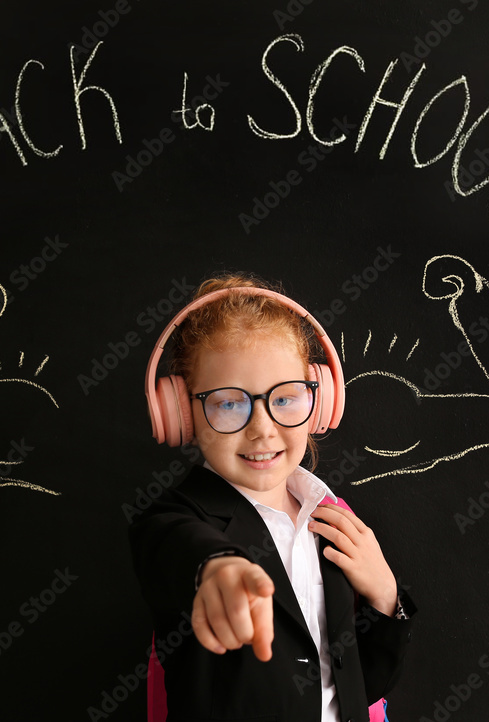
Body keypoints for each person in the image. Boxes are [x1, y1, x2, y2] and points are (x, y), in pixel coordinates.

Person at [132, 273, 414, 722]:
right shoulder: (177, 520)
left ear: (317, 405)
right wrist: (217, 565)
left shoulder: (333, 520)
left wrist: (384, 596)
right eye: (228, 403)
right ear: (183, 413)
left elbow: (366, 684)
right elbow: (169, 547)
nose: (262, 428)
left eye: (284, 398)